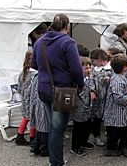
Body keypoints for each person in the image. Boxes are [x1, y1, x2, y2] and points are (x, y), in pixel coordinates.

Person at [31, 13, 85, 166]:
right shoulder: (68, 42)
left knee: (53, 127)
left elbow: (34, 64)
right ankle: (56, 163)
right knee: (57, 130)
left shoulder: (39, 41)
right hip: (61, 91)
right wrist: (81, 84)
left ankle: (54, 160)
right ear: (67, 27)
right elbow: (76, 69)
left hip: (43, 89)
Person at [103, 54, 127, 157]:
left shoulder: (117, 78)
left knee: (123, 131)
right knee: (117, 132)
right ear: (125, 67)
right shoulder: (118, 80)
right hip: (116, 114)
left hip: (120, 114)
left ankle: (123, 146)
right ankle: (112, 148)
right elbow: (118, 98)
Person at [71, 57, 94, 157]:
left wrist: (93, 91)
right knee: (78, 128)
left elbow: (92, 86)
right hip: (79, 108)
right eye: (86, 68)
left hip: (87, 107)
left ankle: (84, 142)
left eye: (89, 68)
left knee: (87, 126)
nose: (88, 70)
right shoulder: (76, 80)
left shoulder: (89, 78)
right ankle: (75, 146)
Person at [89, 48, 112, 147]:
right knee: (97, 117)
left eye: (94, 61)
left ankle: (110, 136)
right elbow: (91, 81)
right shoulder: (94, 70)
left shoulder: (111, 68)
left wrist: (109, 80)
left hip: (109, 98)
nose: (93, 64)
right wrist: (92, 91)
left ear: (100, 59)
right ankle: (96, 136)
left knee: (109, 117)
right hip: (98, 98)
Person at [15, 50, 37, 146]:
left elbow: (19, 88)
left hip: (24, 99)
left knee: (25, 118)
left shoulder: (23, 73)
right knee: (33, 118)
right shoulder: (35, 74)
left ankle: (20, 136)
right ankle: (32, 138)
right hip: (31, 100)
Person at [29, 72, 49, 157]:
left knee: (40, 128)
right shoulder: (44, 76)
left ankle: (35, 147)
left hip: (36, 104)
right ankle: (44, 150)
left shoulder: (36, 76)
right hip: (43, 105)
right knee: (44, 129)